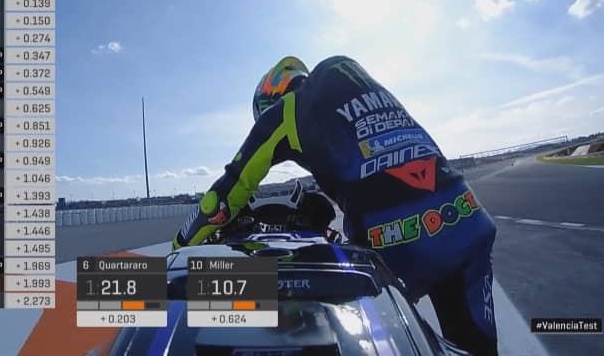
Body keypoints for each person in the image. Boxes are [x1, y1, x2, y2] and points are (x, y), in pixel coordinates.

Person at [172, 55, 498, 355]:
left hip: (397, 241)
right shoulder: (359, 82)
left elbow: (227, 192)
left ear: (272, 98)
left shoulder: (289, 109)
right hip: (467, 217)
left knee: (359, 337)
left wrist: (179, 247)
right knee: (477, 347)